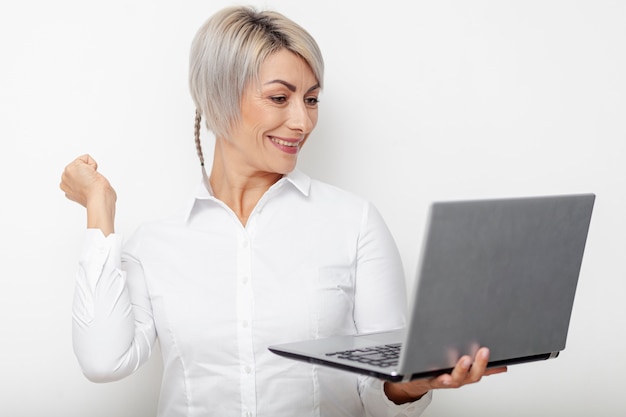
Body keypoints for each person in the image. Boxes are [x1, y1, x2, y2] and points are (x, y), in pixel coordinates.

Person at [60, 6, 506, 417]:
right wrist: (99, 208)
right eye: (280, 98)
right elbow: (104, 361)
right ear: (218, 96)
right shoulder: (155, 244)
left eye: (311, 99)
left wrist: (407, 387)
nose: (303, 121)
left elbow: (379, 389)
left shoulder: (354, 224)